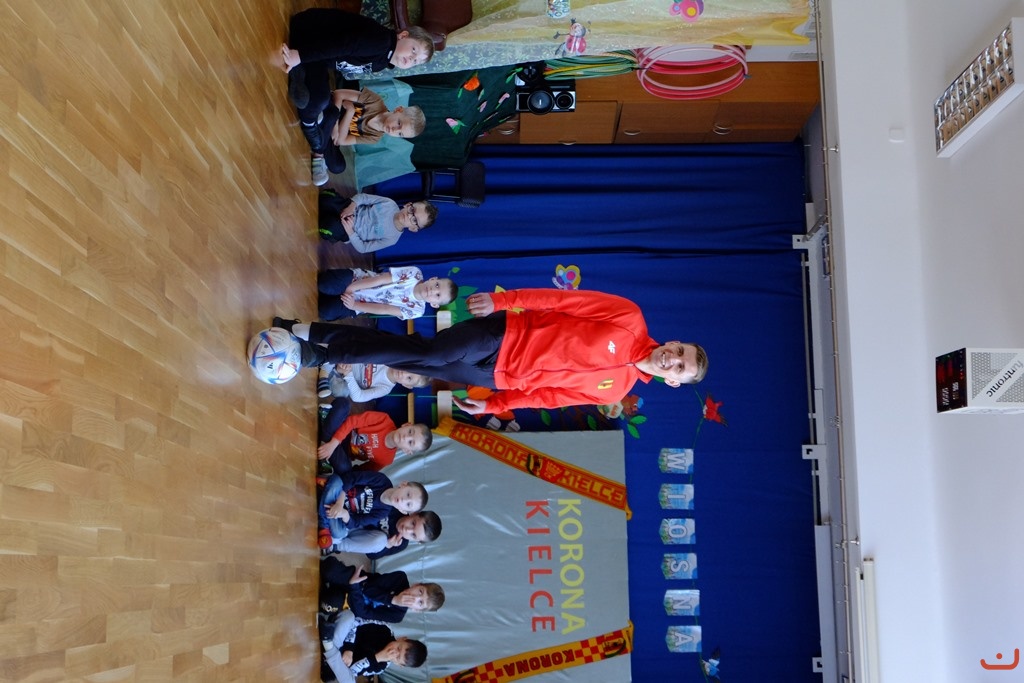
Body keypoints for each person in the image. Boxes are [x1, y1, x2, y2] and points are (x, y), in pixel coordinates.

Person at [274, 288, 709, 414]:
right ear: (674, 342)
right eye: (680, 352)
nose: (673, 360)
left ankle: (314, 334)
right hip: (506, 334)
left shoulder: (616, 391)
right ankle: (322, 353)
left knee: (417, 355)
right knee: (430, 356)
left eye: (680, 368)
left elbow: (549, 398)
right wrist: (505, 300)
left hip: (498, 377)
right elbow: (564, 301)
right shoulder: (629, 317)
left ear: (673, 381)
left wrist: (497, 405)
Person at [280, 8, 435, 185]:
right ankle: (313, 133)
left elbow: (342, 139)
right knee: (320, 101)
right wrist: (300, 56)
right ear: (403, 35)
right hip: (310, 33)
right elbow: (339, 45)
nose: (411, 59)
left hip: (320, 58)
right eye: (413, 50)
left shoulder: (382, 62)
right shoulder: (381, 41)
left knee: (337, 164)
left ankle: (303, 79)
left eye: (415, 62)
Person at [317, 87, 426, 177]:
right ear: (398, 110)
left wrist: (350, 111)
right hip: (331, 110)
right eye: (399, 123)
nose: (394, 130)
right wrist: (335, 126)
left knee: (338, 167)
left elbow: (341, 140)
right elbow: (338, 94)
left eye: (400, 134)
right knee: (330, 115)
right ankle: (319, 149)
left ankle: (319, 132)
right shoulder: (375, 101)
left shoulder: (374, 137)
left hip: (333, 134)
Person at [318, 471, 427, 549]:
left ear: (403, 511)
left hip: (340, 512)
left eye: (408, 504)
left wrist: (344, 514)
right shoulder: (382, 481)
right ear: (403, 485)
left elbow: (356, 522)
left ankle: (325, 493)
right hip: (340, 493)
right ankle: (324, 525)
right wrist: (339, 502)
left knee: (339, 533)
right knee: (336, 482)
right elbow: (351, 478)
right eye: (408, 494)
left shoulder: (382, 513)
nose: (404, 500)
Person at [320, 556, 445, 623]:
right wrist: (392, 598)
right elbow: (368, 588)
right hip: (357, 580)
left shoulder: (397, 616)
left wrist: (394, 602)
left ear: (417, 610)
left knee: (327, 604)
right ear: (416, 584)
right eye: (420, 591)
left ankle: (331, 589)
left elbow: (363, 613)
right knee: (328, 568)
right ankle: (331, 581)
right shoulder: (400, 578)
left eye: (420, 602)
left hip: (351, 601)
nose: (415, 598)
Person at [319, 608, 427, 683]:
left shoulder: (381, 667)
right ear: (402, 639)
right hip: (341, 638)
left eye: (397, 657)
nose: (394, 652)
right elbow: (356, 622)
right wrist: (349, 648)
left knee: (349, 681)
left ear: (399, 665)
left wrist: (377, 658)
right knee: (349, 616)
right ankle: (328, 647)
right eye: (399, 648)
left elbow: (352, 671)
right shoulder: (385, 629)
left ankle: (328, 645)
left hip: (339, 658)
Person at [317, 405, 432, 474]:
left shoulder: (386, 460)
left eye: (410, 442)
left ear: (407, 451)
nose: (406, 437)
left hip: (343, 451)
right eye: (410, 432)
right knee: (343, 405)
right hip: (341, 430)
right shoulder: (384, 420)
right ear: (406, 425)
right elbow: (353, 421)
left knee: (345, 468)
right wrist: (334, 443)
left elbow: (363, 471)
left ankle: (325, 430)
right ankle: (326, 443)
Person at [317, 267, 457, 321]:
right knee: (324, 284)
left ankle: (335, 298)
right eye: (437, 285)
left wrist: (354, 305)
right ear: (433, 279)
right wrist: (351, 288)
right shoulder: (414, 273)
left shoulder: (417, 311)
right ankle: (336, 287)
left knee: (325, 312)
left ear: (434, 304)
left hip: (358, 304)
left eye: (437, 295)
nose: (433, 290)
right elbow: (379, 280)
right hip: (358, 281)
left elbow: (384, 309)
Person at [317, 189, 436, 251]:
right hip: (348, 208)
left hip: (348, 230)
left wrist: (351, 233)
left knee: (327, 226)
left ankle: (332, 221)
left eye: (414, 220)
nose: (409, 216)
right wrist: (351, 207)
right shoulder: (389, 203)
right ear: (408, 204)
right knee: (325, 198)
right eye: (412, 210)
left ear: (413, 228)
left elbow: (364, 248)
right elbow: (363, 197)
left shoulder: (392, 239)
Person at [330, 509, 442, 558]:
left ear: (417, 541)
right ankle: (334, 535)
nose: (407, 530)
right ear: (414, 513)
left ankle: (335, 545)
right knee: (336, 530)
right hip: (350, 523)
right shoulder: (396, 509)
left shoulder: (401, 544)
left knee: (381, 541)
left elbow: (371, 555)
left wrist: (387, 545)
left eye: (413, 535)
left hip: (353, 540)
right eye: (413, 523)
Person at [318, 362, 431, 403]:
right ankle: (324, 372)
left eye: (409, 378)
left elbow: (358, 397)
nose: (403, 373)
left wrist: (348, 374)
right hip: (347, 356)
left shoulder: (385, 388)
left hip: (344, 376)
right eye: (409, 369)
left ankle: (326, 369)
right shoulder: (390, 358)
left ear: (407, 385)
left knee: (342, 392)